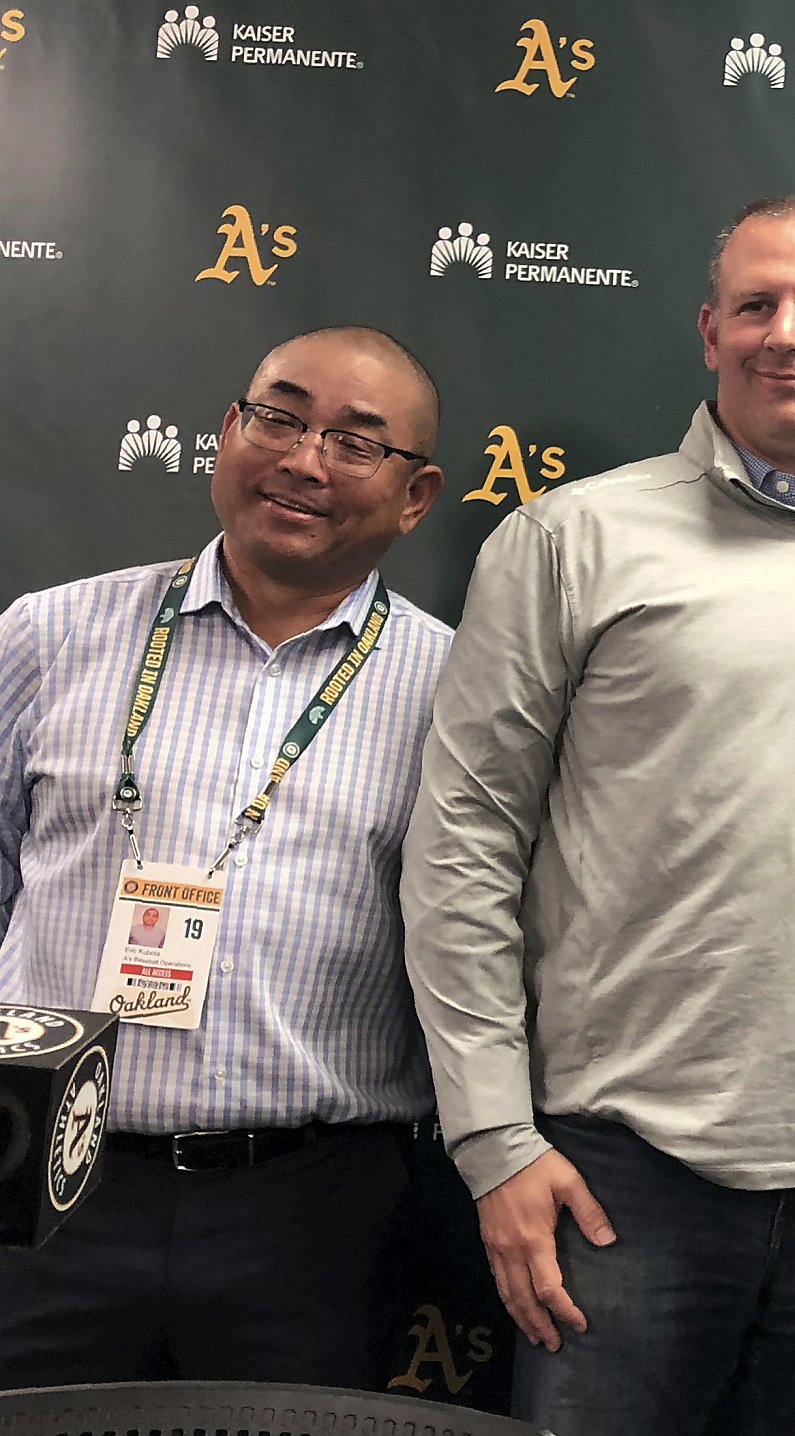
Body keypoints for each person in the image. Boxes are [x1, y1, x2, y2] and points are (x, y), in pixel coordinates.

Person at [402, 195, 795, 1436]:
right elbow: (462, 844)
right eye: (755, 305)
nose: (784, 334)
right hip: (621, 1174)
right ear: (708, 330)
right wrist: (492, 1140)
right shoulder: (569, 538)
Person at [0, 326, 449, 1386]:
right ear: (227, 433)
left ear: (417, 495)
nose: (301, 459)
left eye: (353, 441)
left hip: (310, 1208)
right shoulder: (49, 634)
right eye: (279, 417)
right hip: (48, 1186)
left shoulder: (459, 690)